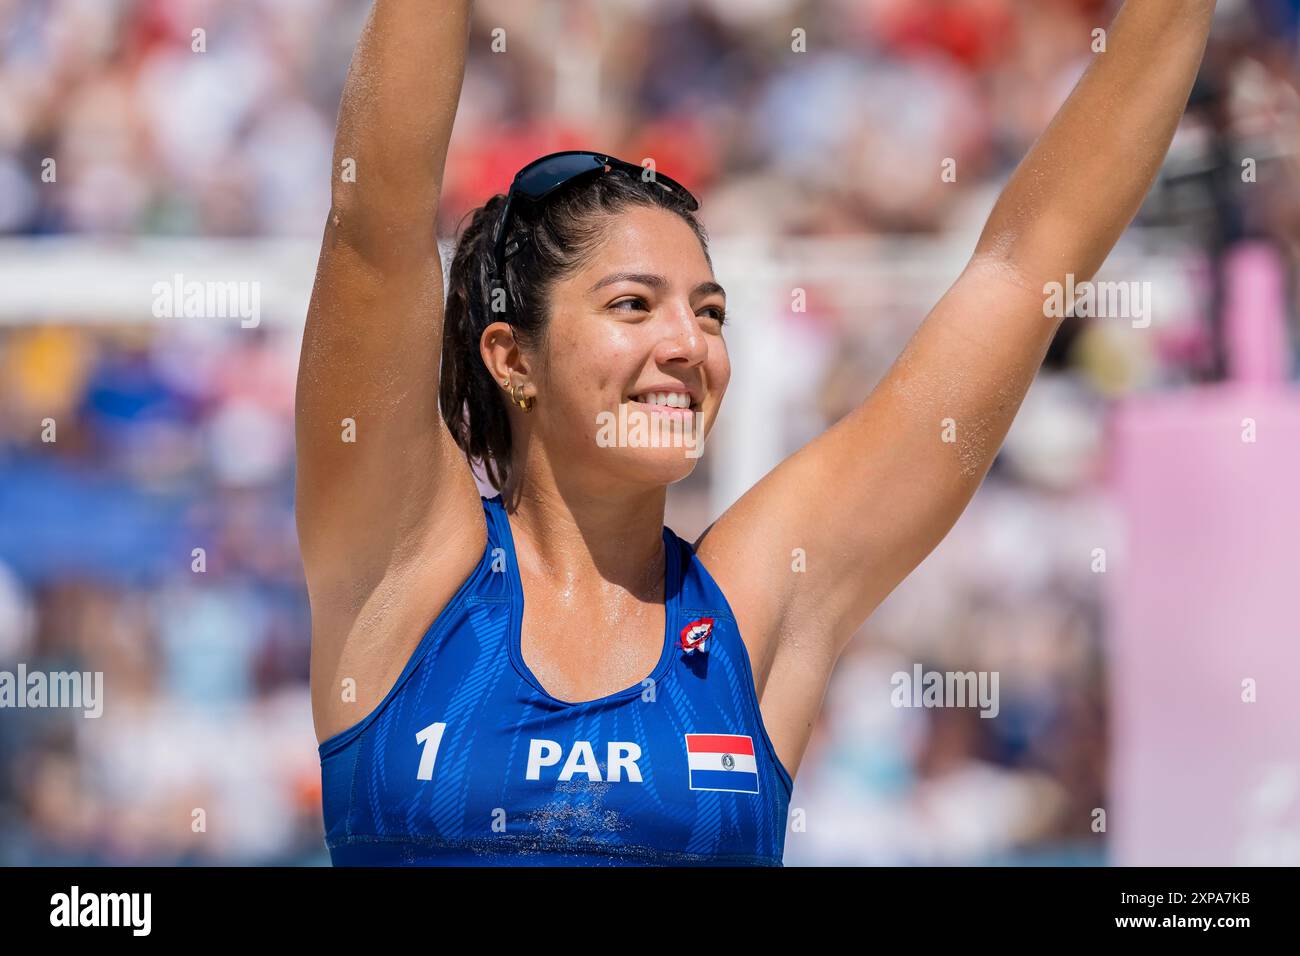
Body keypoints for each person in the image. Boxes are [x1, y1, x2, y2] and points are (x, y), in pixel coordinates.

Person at [295, 0, 1217, 865]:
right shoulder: (409, 572)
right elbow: (375, 220)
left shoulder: (751, 609)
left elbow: (1028, 269)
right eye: (632, 305)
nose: (687, 345)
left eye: (710, 312)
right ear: (512, 358)